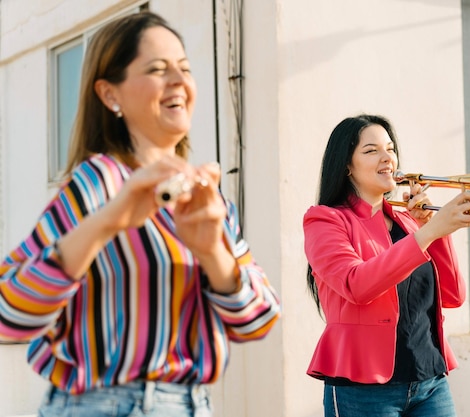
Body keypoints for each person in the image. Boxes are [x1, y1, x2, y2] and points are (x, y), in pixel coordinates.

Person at [0, 11, 280, 416]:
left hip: (192, 404)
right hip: (105, 406)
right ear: (110, 94)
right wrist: (107, 221)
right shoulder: (97, 182)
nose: (179, 81)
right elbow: (10, 314)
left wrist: (213, 253)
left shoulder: (205, 196)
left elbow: (260, 319)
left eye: (184, 68)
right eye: (157, 69)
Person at [303, 114, 470, 417]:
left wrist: (435, 230)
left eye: (391, 149)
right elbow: (357, 285)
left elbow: (453, 296)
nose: (388, 159)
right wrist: (427, 234)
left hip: (429, 380)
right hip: (363, 389)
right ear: (346, 165)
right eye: (371, 151)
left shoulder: (409, 221)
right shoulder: (325, 220)